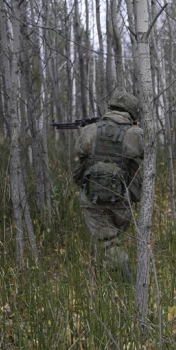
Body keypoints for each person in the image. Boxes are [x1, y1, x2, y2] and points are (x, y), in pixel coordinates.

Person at [72, 91, 144, 284]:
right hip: (122, 200)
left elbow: (79, 151)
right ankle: (111, 276)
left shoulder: (90, 130)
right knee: (114, 240)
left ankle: (127, 283)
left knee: (108, 243)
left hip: (92, 198)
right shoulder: (136, 134)